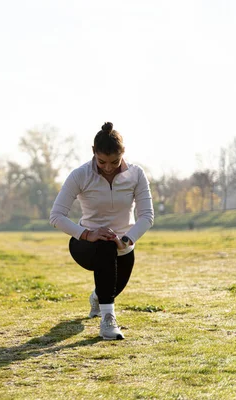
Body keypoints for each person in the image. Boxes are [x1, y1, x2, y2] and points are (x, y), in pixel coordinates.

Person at [49, 122, 154, 340]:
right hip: (85, 244)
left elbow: (147, 216)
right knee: (104, 243)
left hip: (123, 246)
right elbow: (56, 216)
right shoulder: (80, 175)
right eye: (102, 161)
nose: (108, 167)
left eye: (114, 161)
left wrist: (126, 239)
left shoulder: (136, 175)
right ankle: (108, 321)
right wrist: (88, 234)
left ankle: (98, 297)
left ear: (122, 153)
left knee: (111, 287)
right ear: (94, 153)